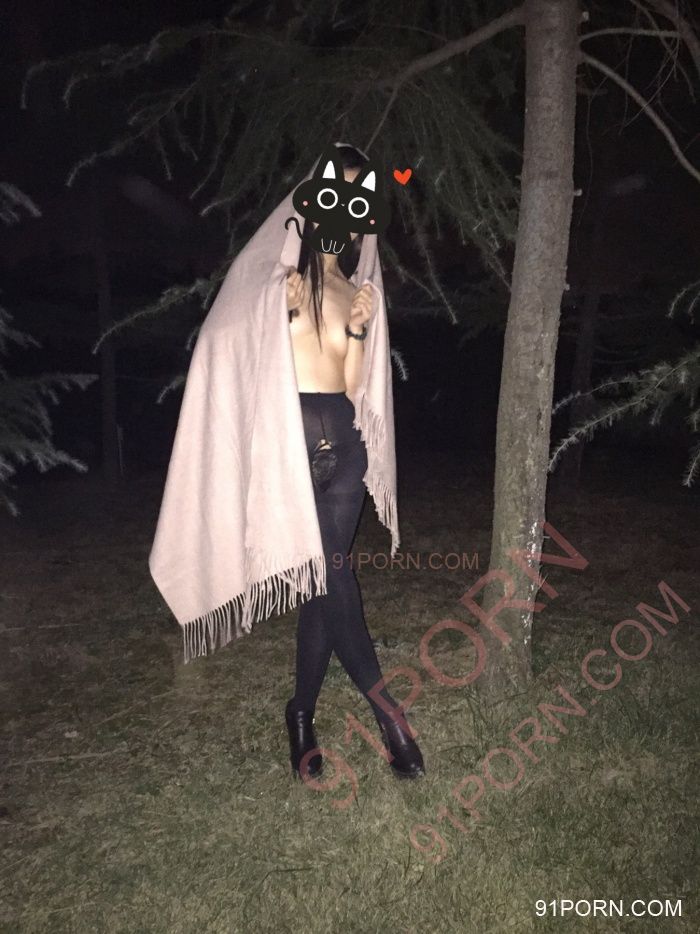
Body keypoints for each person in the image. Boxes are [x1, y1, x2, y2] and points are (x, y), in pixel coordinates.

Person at [283, 145, 425, 781]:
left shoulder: (354, 291)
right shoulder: (279, 282)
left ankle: (301, 714)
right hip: (292, 448)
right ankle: (389, 715)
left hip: (345, 450)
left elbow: (350, 383)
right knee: (334, 577)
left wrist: (361, 329)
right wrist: (281, 314)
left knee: (327, 581)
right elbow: (251, 364)